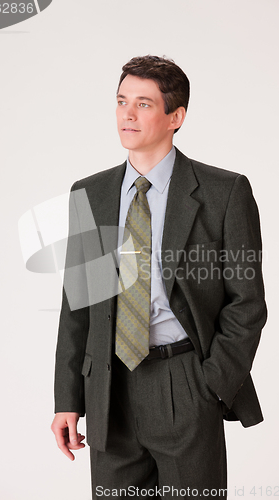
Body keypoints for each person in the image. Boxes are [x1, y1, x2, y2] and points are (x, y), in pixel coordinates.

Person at [51, 55, 267, 499]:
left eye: (144, 104)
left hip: (184, 382)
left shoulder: (224, 192)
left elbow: (247, 303)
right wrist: (67, 400)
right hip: (109, 389)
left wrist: (210, 384)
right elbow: (78, 307)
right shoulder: (90, 193)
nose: (128, 114)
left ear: (176, 116)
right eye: (121, 101)